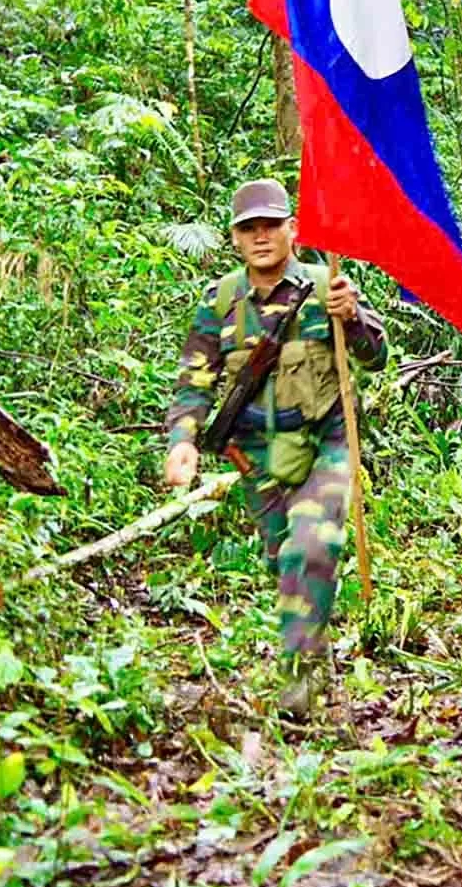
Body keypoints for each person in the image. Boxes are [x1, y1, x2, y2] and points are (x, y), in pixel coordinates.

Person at [161, 179, 387, 714]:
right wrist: (183, 441)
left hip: (325, 444)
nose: (261, 237)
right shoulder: (221, 300)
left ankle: (297, 690)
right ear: (236, 238)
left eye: (271, 225)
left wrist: (351, 317)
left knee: (308, 549)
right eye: (249, 228)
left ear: (293, 229)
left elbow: (374, 356)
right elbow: (195, 381)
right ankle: (316, 659)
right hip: (255, 455)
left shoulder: (326, 284)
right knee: (281, 566)